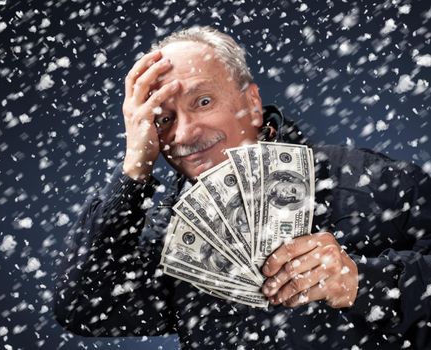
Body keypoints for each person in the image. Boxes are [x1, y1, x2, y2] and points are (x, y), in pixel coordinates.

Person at [55, 26, 431, 349]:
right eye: (164, 119)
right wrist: (134, 168)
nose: (184, 133)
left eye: (202, 101)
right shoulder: (171, 235)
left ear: (251, 103)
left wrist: (365, 282)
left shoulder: (375, 181)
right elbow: (85, 309)